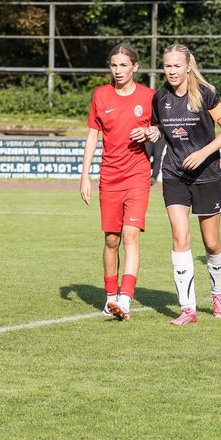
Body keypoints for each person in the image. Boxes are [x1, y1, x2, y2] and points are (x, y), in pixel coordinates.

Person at [145, 44, 221, 325]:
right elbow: (159, 127)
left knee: (211, 243)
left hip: (206, 175)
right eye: (167, 66)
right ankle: (188, 308)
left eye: (176, 66)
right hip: (174, 175)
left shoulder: (204, 94)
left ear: (188, 66)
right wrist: (153, 132)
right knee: (180, 237)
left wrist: (204, 152)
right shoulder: (159, 97)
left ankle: (219, 295)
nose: (171, 71)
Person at [79, 43, 155, 321]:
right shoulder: (100, 95)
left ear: (135, 67)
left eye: (124, 65)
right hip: (109, 177)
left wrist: (151, 132)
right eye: (114, 65)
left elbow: (162, 127)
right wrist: (85, 176)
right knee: (112, 239)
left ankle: (125, 298)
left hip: (137, 175)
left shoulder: (149, 96)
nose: (118, 70)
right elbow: (92, 136)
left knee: (131, 235)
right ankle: (110, 296)